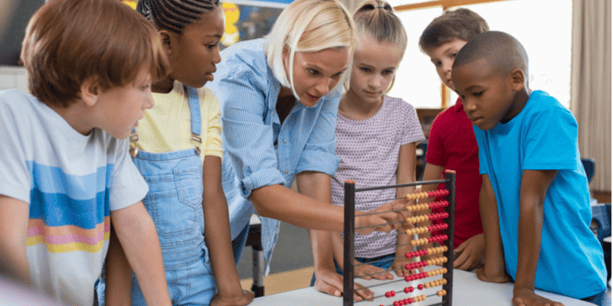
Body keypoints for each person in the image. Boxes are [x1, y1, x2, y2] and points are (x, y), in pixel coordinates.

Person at [207, 0, 410, 301]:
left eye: (337, 74)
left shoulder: (327, 82)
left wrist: (325, 267)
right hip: (190, 216)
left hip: (229, 221)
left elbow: (316, 171)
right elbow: (263, 194)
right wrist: (359, 219)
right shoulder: (239, 74)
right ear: (285, 49)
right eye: (313, 71)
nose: (324, 88)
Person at [0, 0, 173, 305]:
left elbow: (135, 224)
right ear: (92, 89)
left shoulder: (111, 138)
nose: (150, 102)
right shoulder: (12, 117)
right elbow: (8, 241)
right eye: (143, 87)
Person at [98, 0, 255, 305]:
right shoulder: (120, 106)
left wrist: (229, 289)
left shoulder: (205, 103)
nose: (218, 57)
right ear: (165, 41)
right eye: (210, 45)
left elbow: (212, 197)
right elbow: (120, 219)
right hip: (132, 286)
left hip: (198, 279)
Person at [451, 30, 607, 306]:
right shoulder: (486, 122)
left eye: (477, 93)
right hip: (520, 279)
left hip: (573, 283)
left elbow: (532, 201)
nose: (469, 106)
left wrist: (523, 289)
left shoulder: (548, 116)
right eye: (463, 96)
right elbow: (490, 194)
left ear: (516, 80)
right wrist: (495, 269)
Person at [319, 0, 424, 285]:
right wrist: (346, 262)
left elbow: (407, 190)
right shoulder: (323, 116)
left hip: (391, 255)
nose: (376, 82)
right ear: (347, 60)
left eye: (387, 72)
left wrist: (404, 251)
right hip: (337, 256)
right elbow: (321, 198)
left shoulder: (403, 113)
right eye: (366, 69)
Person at [417, 8, 488, 271]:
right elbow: (428, 194)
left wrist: (490, 241)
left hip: (495, 252)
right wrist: (426, 246)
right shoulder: (443, 123)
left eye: (453, 55)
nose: (445, 68)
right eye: (437, 62)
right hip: (444, 254)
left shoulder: (509, 119)